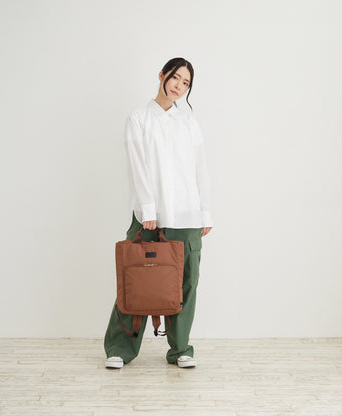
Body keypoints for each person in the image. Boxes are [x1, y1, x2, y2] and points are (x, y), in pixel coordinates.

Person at [104, 57, 214, 369]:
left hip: (187, 216)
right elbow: (137, 165)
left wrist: (205, 213)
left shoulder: (189, 123)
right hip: (149, 216)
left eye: (186, 83)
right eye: (175, 78)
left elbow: (201, 169)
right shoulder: (139, 118)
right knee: (136, 279)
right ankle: (120, 348)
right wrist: (148, 208)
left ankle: (180, 350)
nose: (179, 86)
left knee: (186, 284)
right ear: (162, 75)